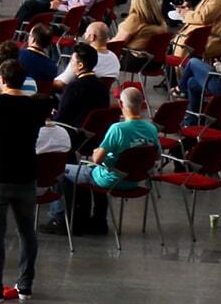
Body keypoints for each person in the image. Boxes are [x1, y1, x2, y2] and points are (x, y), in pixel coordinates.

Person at [0, 61, 53, 302]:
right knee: (27, 230)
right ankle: (25, 284)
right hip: (26, 174)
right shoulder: (36, 107)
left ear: (1, 80)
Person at [48, 86, 158, 235]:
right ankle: (99, 219)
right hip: (133, 179)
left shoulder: (118, 129)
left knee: (61, 170)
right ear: (142, 103)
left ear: (121, 104)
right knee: (95, 171)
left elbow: (97, 159)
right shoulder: (151, 128)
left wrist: (96, 152)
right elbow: (156, 155)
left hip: (110, 179)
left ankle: (60, 218)